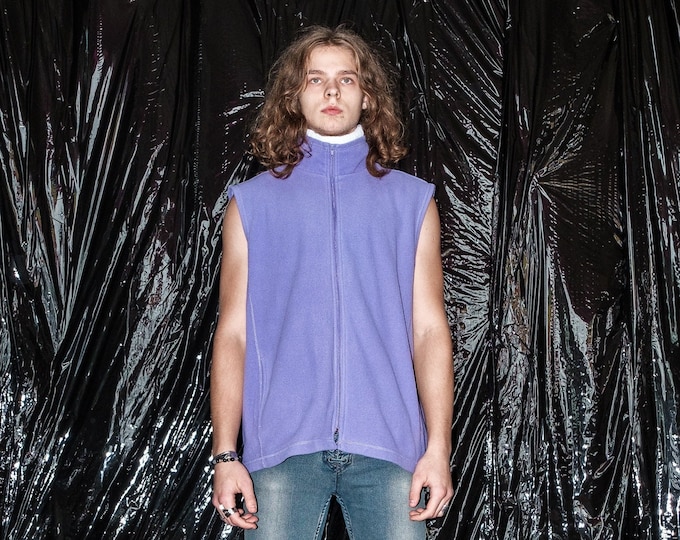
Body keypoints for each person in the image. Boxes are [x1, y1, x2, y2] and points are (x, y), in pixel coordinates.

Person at [210, 24, 454, 539]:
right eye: (315, 79)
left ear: (368, 96)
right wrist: (226, 455)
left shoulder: (412, 201)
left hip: (390, 449)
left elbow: (430, 330)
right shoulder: (251, 204)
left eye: (346, 78)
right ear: (293, 96)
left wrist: (438, 447)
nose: (331, 91)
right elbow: (232, 334)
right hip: (281, 451)